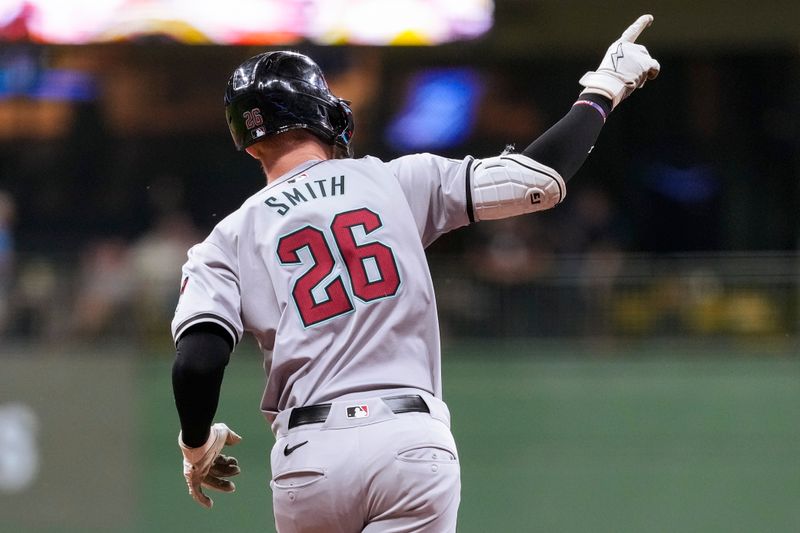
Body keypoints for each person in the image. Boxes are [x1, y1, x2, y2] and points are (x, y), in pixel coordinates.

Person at [171, 14, 660, 532]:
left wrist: (197, 445)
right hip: (408, 443)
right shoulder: (396, 180)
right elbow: (539, 180)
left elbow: (197, 363)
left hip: (308, 457)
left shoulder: (224, 240)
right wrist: (604, 88)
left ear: (247, 141)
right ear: (320, 113)